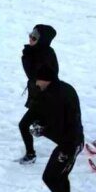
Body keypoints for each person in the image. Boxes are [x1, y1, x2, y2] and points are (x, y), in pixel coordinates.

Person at [28, 65, 84, 192]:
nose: (36, 83)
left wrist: (42, 131)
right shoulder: (64, 88)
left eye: (37, 80)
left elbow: (60, 124)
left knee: (50, 177)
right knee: (61, 175)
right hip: (73, 140)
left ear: (45, 80)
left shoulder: (55, 97)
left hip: (70, 144)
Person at [18, 24, 58, 165]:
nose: (30, 38)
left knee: (26, 125)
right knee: (36, 126)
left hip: (47, 100)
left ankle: (31, 154)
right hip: (39, 98)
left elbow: (39, 77)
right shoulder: (36, 52)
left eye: (34, 37)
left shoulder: (46, 55)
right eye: (30, 35)